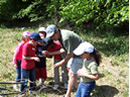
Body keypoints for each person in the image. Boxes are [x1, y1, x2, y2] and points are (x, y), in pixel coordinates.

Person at [46, 24, 83, 97]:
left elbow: (70, 54)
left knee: (72, 74)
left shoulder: (65, 38)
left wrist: (61, 62)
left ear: (57, 31)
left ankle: (68, 94)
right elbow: (64, 49)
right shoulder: (60, 36)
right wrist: (50, 53)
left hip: (81, 53)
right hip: (75, 52)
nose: (52, 38)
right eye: (51, 37)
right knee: (70, 70)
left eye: (53, 35)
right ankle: (76, 88)